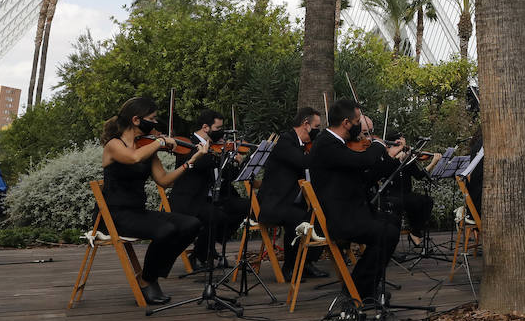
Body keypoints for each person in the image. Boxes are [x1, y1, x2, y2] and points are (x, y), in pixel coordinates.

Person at [99, 97, 205, 305]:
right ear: (136, 120)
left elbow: (164, 181)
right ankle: (149, 280)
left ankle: (149, 275)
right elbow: (134, 158)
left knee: (191, 224)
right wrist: (160, 142)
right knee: (165, 230)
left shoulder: (147, 147)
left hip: (138, 211)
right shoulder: (114, 145)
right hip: (115, 215)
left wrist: (190, 163)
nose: (156, 124)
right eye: (153, 118)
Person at [305, 99, 406, 303]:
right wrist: (378, 145)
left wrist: (390, 161)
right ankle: (359, 290)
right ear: (346, 123)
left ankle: (364, 285)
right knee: (387, 232)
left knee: (392, 222)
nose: (360, 126)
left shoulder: (337, 144)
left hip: (350, 209)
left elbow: (362, 177)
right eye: (358, 120)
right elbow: (363, 161)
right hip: (338, 217)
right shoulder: (326, 144)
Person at [169, 108, 250, 270]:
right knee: (215, 216)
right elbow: (199, 165)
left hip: (216, 197)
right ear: (205, 127)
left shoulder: (217, 148)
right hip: (190, 199)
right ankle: (199, 254)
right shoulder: (187, 145)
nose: (221, 134)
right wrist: (215, 156)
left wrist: (236, 162)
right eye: (218, 129)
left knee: (246, 205)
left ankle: (211, 244)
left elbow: (229, 176)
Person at [256, 106, 327, 280]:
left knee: (320, 215)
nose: (318, 130)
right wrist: (320, 144)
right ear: (306, 124)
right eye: (317, 126)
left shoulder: (299, 145)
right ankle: (289, 268)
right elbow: (304, 163)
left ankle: (306, 262)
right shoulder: (286, 142)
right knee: (299, 218)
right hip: (273, 204)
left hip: (288, 201)